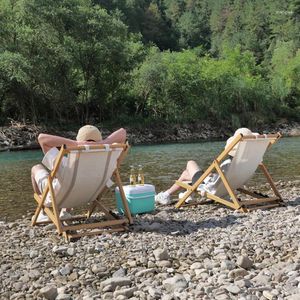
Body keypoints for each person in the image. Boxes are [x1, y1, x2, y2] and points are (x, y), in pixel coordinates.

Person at [31, 125, 126, 221]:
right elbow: (122, 132)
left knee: (36, 168)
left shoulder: (66, 164)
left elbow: (42, 138)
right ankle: (65, 212)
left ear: (79, 140)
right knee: (71, 180)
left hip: (57, 199)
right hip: (89, 195)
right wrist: (104, 143)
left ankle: (42, 212)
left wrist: (75, 143)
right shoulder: (110, 157)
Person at [155, 128, 254, 205]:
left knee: (190, 163)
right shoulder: (250, 161)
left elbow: (217, 182)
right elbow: (226, 177)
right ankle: (177, 194)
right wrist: (213, 176)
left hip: (211, 188)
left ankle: (171, 195)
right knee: (186, 174)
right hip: (228, 186)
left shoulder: (228, 163)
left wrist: (212, 177)